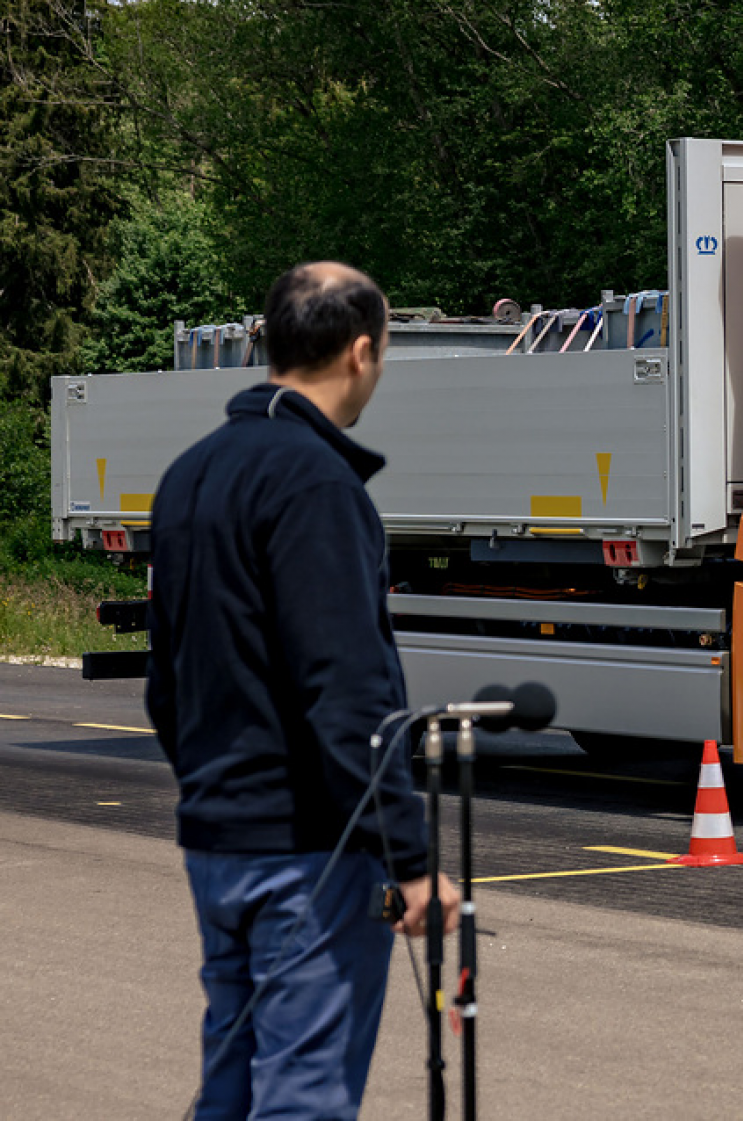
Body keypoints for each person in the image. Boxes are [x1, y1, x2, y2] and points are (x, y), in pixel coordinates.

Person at [147, 261, 458, 1119]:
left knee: (234, 1083)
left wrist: (214, 788)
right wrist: (413, 859)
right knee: (301, 1097)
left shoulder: (191, 475)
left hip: (218, 841)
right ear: (361, 352)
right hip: (307, 854)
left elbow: (166, 685)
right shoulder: (317, 485)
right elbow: (348, 691)